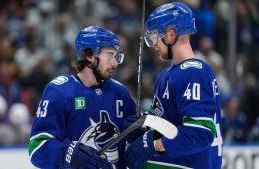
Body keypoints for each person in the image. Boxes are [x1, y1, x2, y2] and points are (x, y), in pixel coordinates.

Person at [125, 2, 223, 169]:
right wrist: (143, 128)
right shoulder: (169, 74)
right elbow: (166, 122)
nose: (153, 43)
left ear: (171, 35)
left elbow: (199, 134)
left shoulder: (193, 72)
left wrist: (153, 145)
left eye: (155, 36)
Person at [28, 26, 136, 169]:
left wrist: (139, 136)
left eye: (116, 56)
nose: (115, 63)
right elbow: (37, 147)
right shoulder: (59, 91)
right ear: (90, 56)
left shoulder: (120, 93)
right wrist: (69, 154)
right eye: (109, 55)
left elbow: (131, 145)